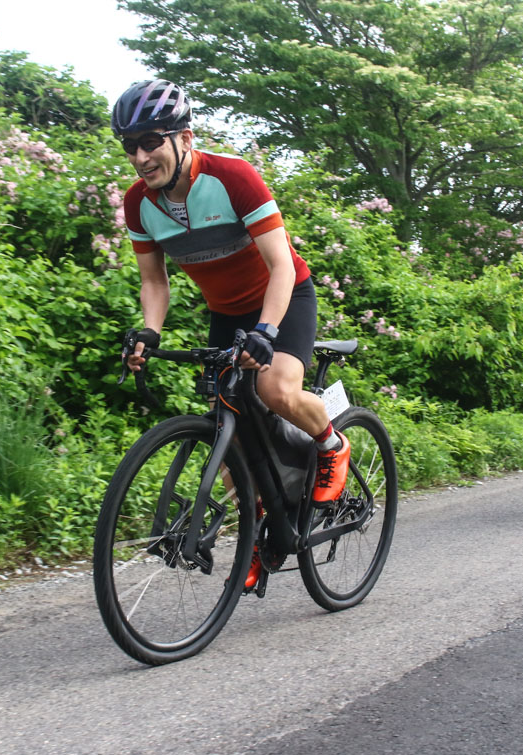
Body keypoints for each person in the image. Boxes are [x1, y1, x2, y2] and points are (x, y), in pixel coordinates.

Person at [113, 79, 349, 588]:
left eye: (151, 141)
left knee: (274, 389)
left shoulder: (233, 178)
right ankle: (264, 530)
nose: (140, 156)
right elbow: (154, 280)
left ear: (185, 138)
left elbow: (281, 266)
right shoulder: (139, 204)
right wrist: (149, 333)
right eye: (130, 146)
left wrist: (266, 331)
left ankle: (332, 446)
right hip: (225, 313)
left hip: (284, 300)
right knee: (230, 425)